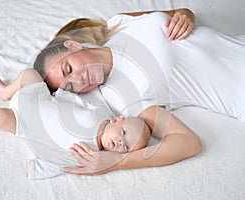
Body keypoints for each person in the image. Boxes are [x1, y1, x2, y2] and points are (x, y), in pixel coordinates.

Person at [32, 7, 245, 175]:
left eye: (68, 69)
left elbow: (177, 14)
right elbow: (187, 142)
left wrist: (186, 16)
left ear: (73, 45)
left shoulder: (118, 23)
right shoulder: (123, 96)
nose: (78, 80)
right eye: (70, 87)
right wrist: (116, 162)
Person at [0, 68, 151, 179]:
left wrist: (39, 168)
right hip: (40, 97)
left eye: (126, 147)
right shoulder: (102, 112)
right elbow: (80, 103)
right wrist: (62, 95)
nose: (120, 142)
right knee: (30, 73)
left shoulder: (90, 153)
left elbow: (63, 163)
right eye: (124, 134)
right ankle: (6, 92)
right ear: (117, 120)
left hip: (23, 121)